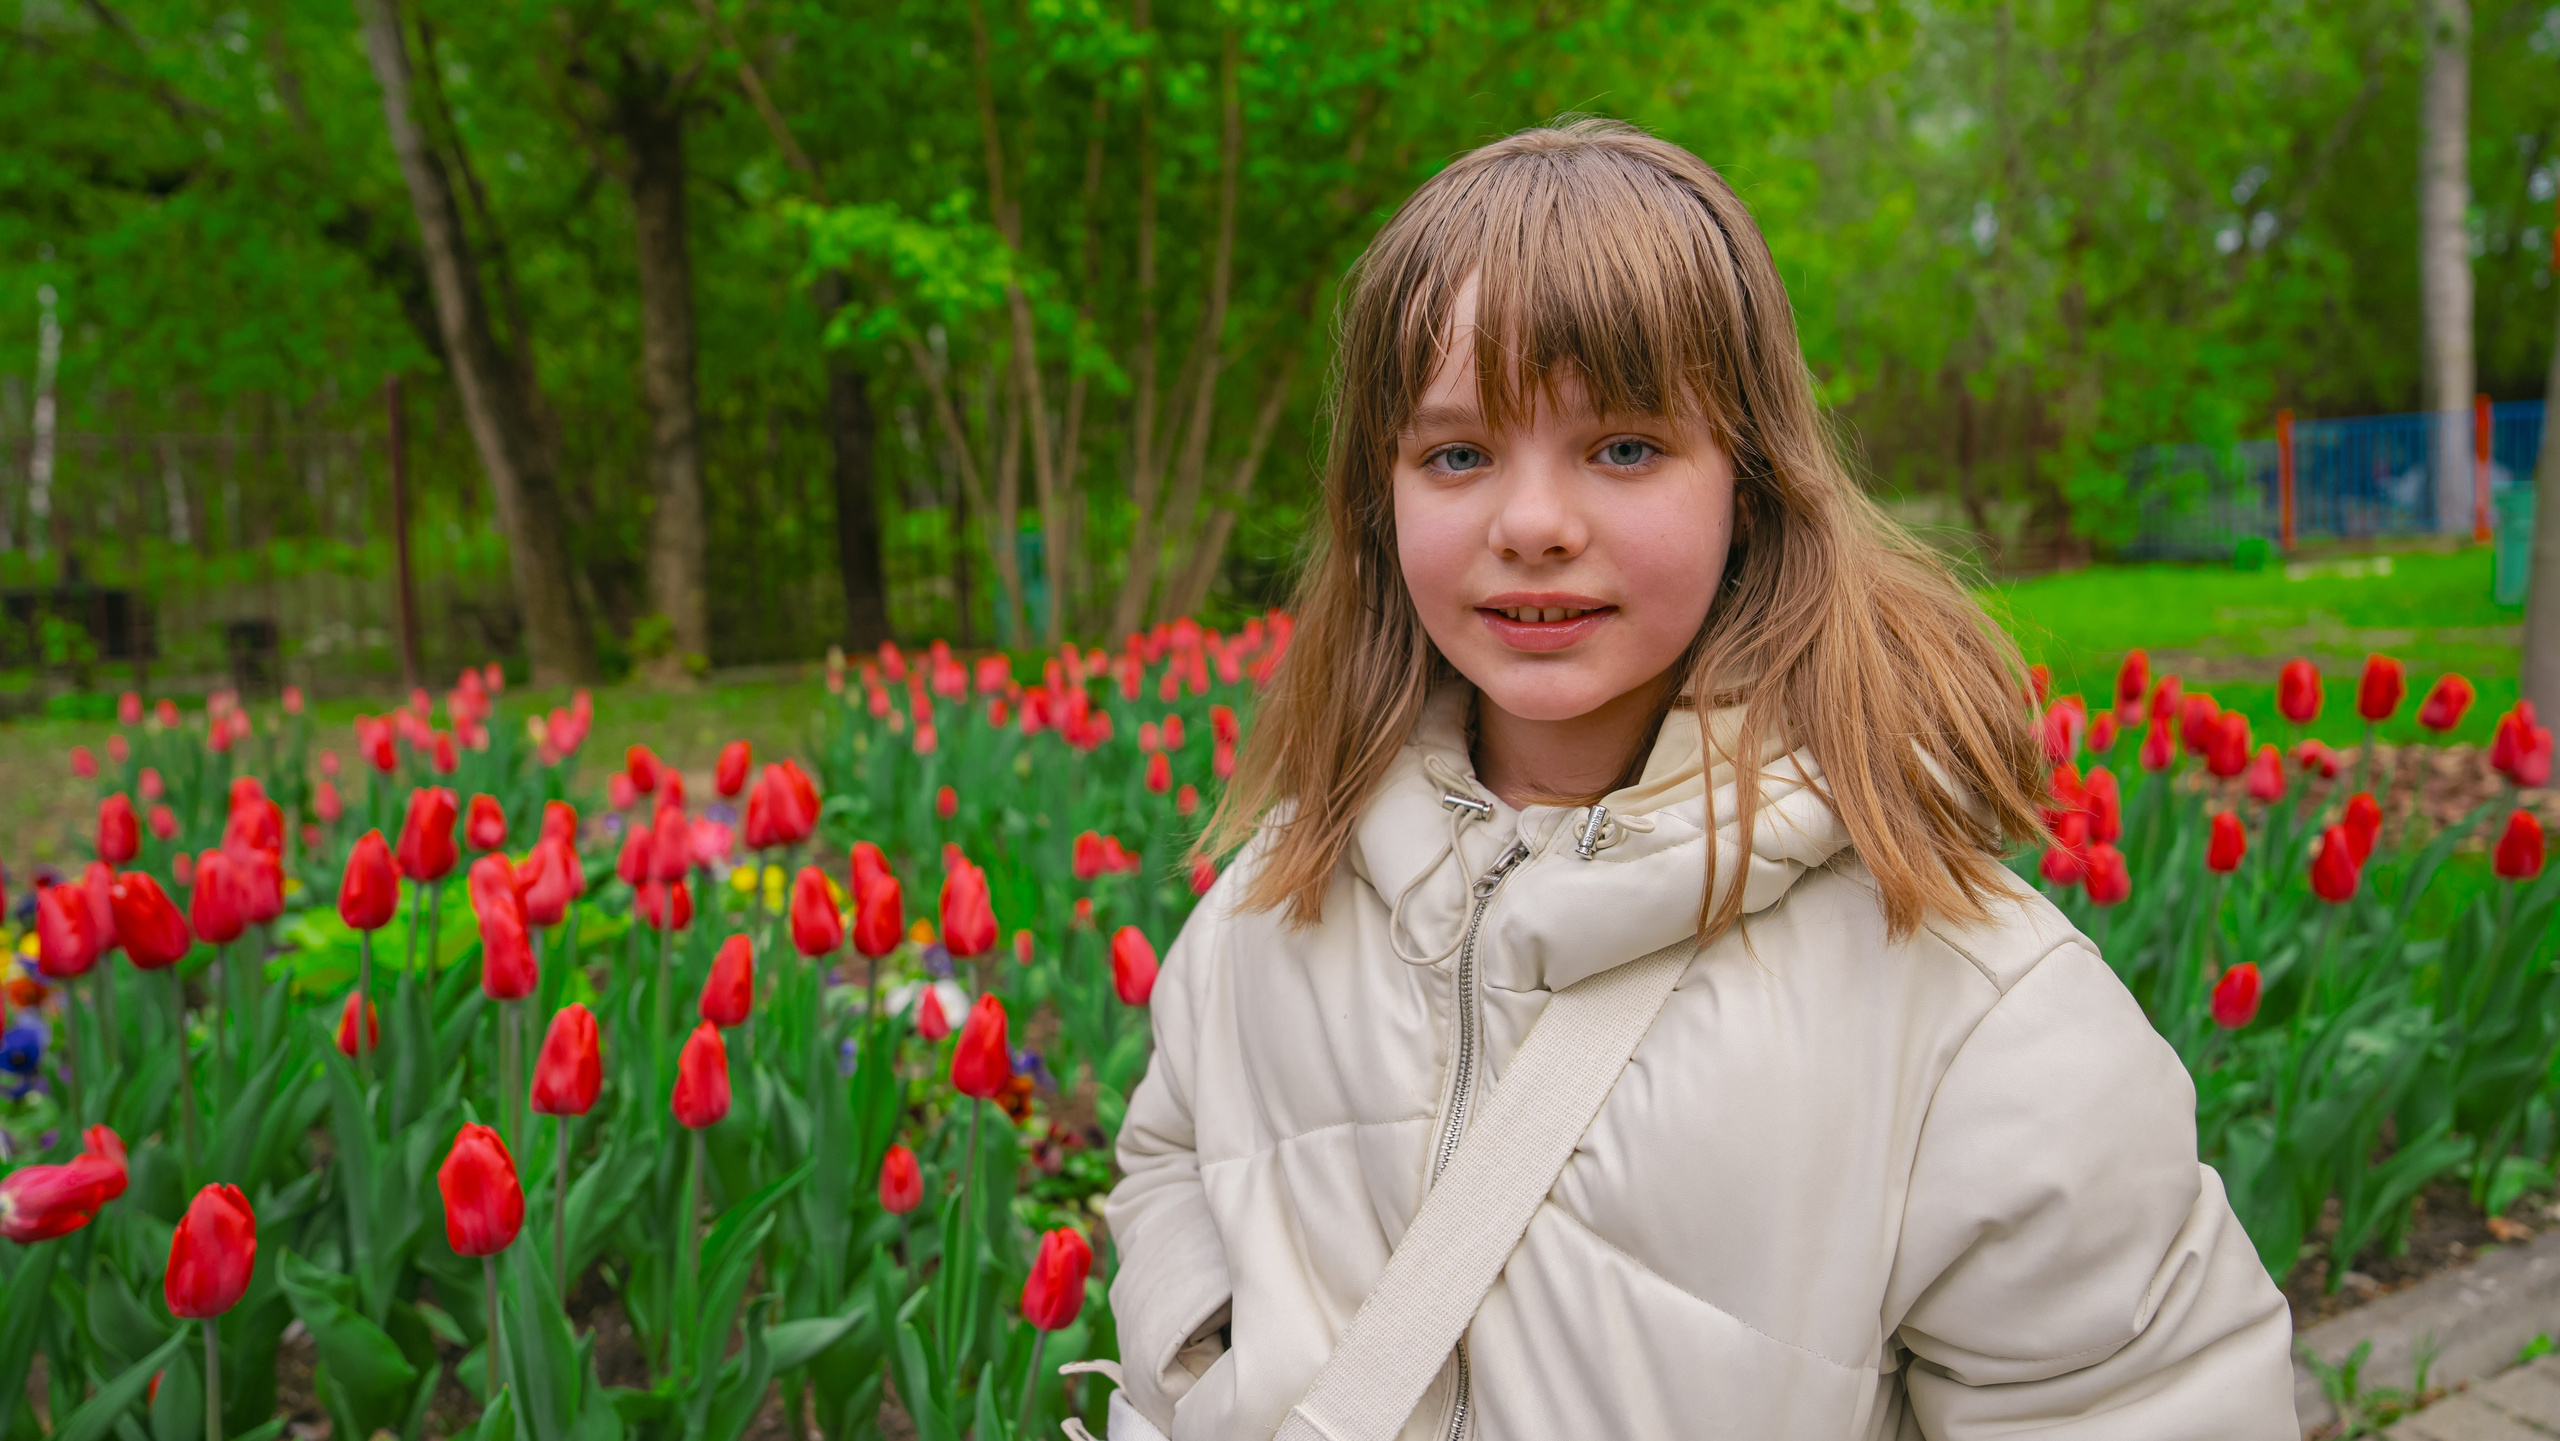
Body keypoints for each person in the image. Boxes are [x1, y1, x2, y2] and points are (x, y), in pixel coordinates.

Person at [1102, 118, 2296, 1439]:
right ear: (1375, 502)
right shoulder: (1277, 902)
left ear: (1753, 476)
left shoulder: (1959, 998)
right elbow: (1170, 1157)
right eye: (1457, 453)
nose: (1533, 522)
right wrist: (1210, 1362)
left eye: (1622, 447)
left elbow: (2139, 1399)